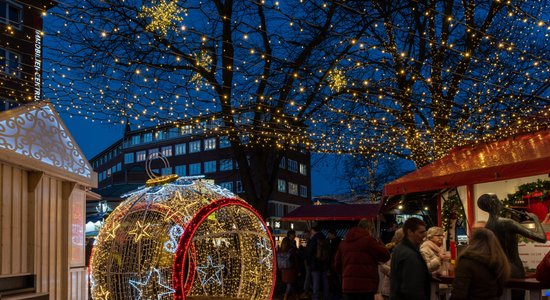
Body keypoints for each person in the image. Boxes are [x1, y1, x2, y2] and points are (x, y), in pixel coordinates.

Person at [478, 194, 546, 300]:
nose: (501, 202)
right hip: (514, 270)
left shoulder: (487, 227)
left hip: (497, 269)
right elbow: (541, 238)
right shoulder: (507, 222)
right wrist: (536, 220)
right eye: (498, 200)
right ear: (494, 204)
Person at [334, 219, 390, 300]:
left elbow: (337, 265)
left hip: (348, 287)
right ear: (368, 228)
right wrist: (379, 242)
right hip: (366, 287)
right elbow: (385, 255)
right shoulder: (369, 240)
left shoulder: (344, 243)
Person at [450, 228, 511, 300]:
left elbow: (458, 295)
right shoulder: (499, 262)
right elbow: (499, 291)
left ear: (473, 241)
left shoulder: (466, 262)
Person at [390, 217, 431, 300]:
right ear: (410, 232)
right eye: (421, 232)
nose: (424, 235)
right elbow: (412, 289)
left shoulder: (399, 248)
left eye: (425, 232)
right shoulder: (410, 255)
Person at [378, 228, 404, 300]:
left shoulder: (396, 251)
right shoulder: (396, 251)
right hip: (391, 290)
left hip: (390, 290)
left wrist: (383, 266)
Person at [306, 225, 330, 300]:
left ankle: (315, 297)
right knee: (325, 282)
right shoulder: (325, 238)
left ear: (313, 230)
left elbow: (309, 252)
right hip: (324, 264)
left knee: (316, 283)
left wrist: (308, 262)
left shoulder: (313, 239)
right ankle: (326, 297)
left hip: (315, 264)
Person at [281, 230, 299, 300]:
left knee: (291, 282)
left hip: (285, 266)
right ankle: (286, 296)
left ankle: (294, 295)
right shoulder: (290, 245)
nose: (295, 236)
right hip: (290, 266)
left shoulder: (284, 245)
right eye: (294, 234)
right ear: (290, 235)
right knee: (290, 282)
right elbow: (294, 256)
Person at [327, 229, 342, 300]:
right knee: (337, 280)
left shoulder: (334, 243)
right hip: (337, 264)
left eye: (329, 234)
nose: (328, 236)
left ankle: (337, 295)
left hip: (334, 264)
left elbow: (331, 254)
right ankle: (338, 294)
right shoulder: (339, 242)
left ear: (333, 234)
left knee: (336, 280)